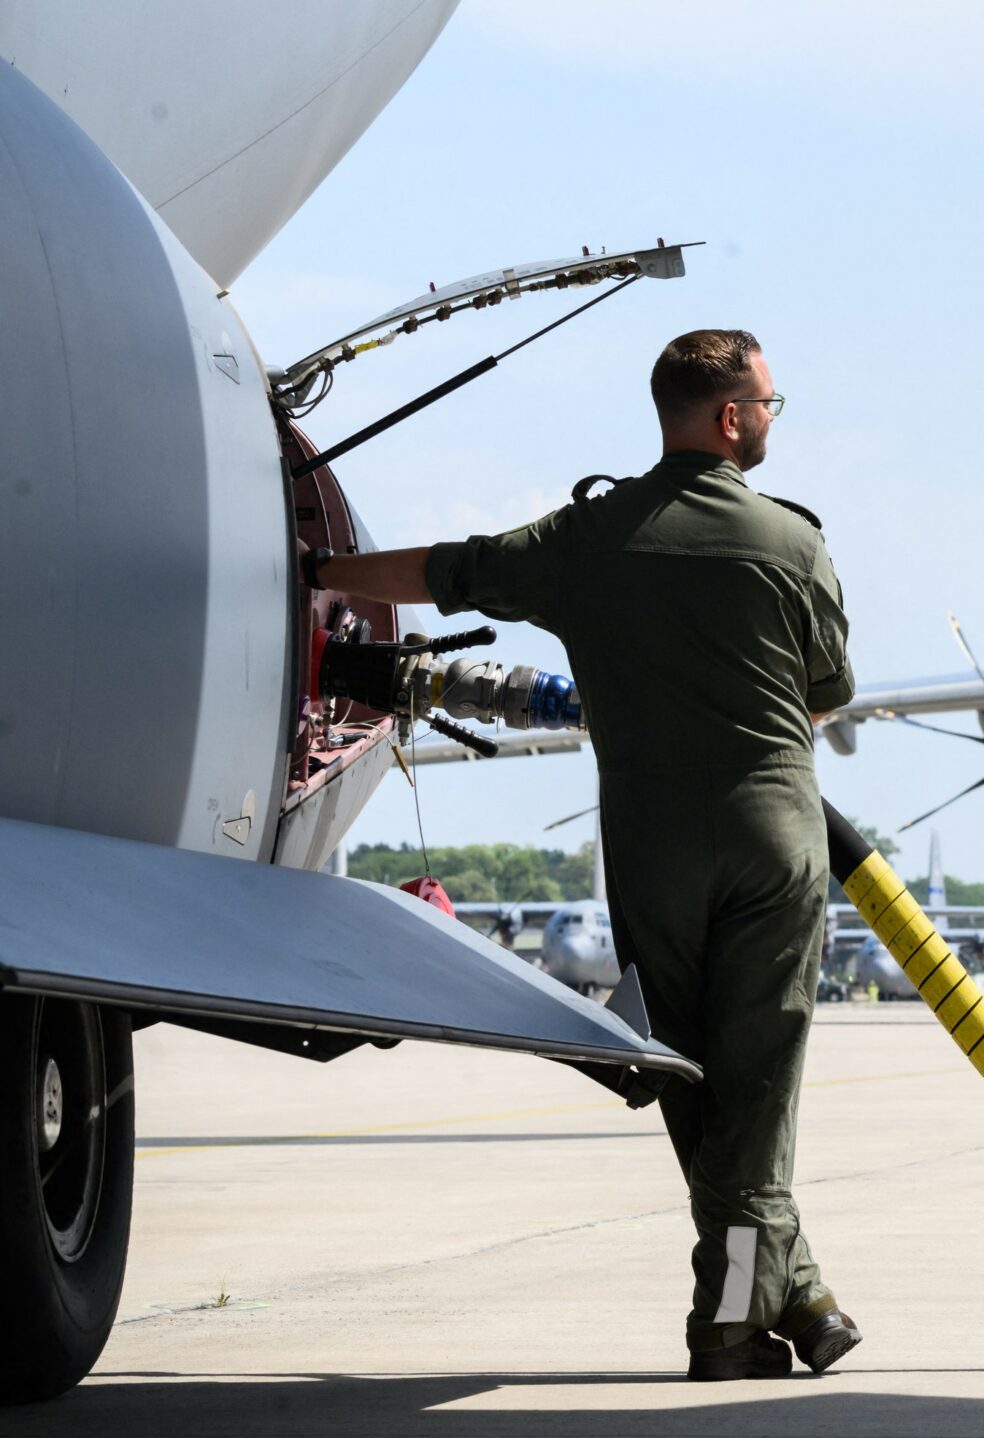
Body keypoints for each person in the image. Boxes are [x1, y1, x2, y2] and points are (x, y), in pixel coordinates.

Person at [311, 329, 861, 1382]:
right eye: (771, 404)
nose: (772, 419)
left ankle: (789, 1291)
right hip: (773, 838)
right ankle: (738, 1318)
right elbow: (828, 691)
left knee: (692, 1073)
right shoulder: (792, 543)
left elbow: (445, 573)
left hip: (653, 846)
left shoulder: (588, 537)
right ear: (732, 417)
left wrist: (317, 570)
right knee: (758, 1084)